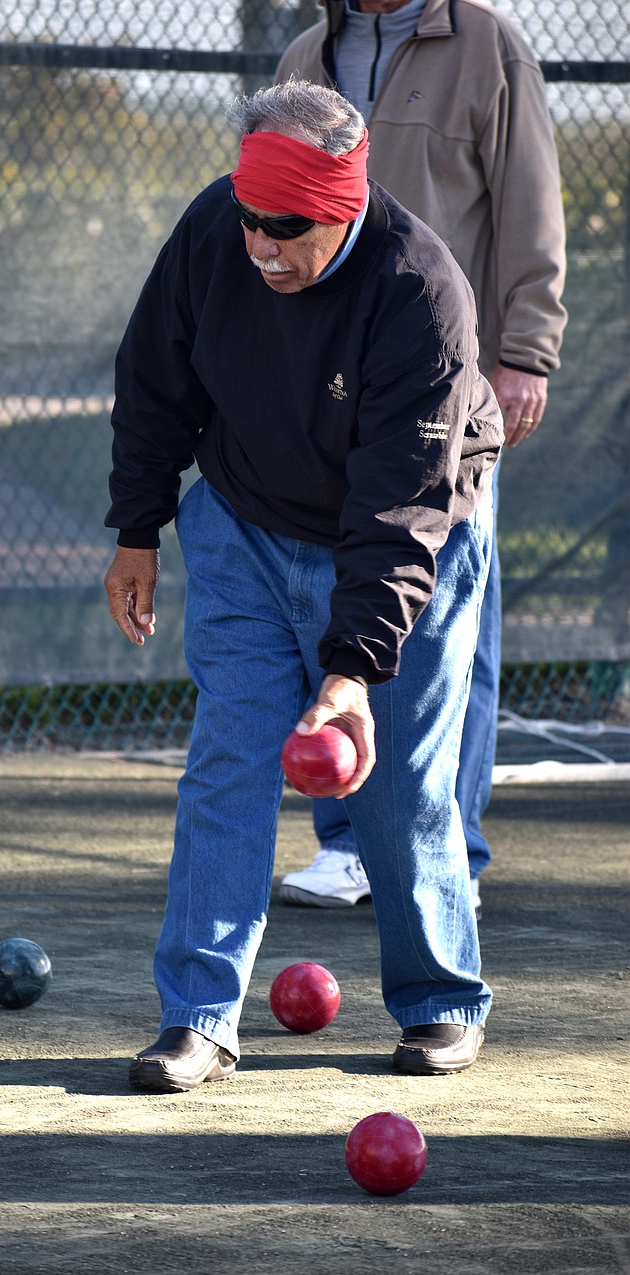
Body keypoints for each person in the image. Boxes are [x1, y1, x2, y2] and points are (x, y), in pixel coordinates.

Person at [104, 78, 503, 1092]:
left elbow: (398, 506)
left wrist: (351, 669)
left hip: (403, 540)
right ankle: (197, 1018)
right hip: (243, 521)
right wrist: (139, 528)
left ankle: (440, 1004)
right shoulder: (216, 231)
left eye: (285, 229)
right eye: (250, 220)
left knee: (401, 782)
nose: (259, 247)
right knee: (228, 760)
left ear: (341, 210)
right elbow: (156, 376)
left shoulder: (418, 290)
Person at [274, 0, 567, 918]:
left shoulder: (489, 46)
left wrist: (525, 352)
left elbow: (530, 206)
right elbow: (270, 219)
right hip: (324, 386)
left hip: (449, 385)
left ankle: (450, 850)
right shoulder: (303, 53)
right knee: (330, 596)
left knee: (450, 614)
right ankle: (350, 844)